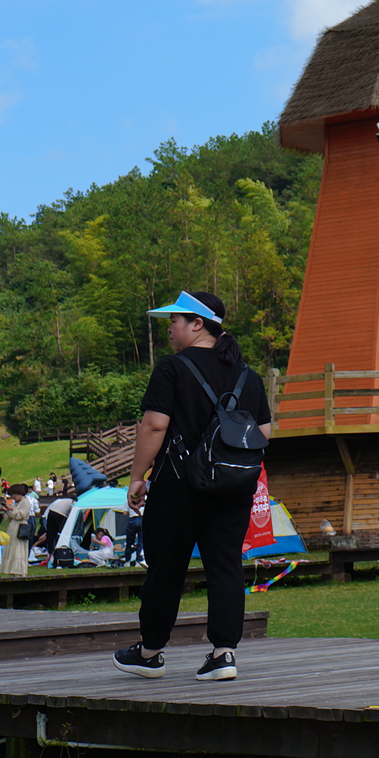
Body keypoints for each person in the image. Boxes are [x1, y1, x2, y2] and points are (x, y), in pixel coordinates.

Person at [114, 290, 269, 684]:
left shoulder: (172, 368)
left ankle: (150, 653)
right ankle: (223, 653)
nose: (169, 328)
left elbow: (154, 425)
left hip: (179, 484)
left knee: (166, 568)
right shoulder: (247, 375)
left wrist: (137, 476)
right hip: (234, 487)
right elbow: (264, 432)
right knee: (225, 566)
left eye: (175, 320)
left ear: (197, 324)